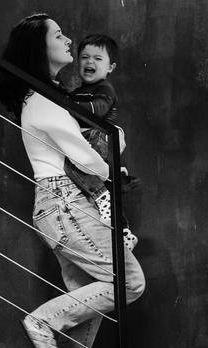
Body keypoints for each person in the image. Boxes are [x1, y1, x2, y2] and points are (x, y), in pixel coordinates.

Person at [0, 14, 145, 348]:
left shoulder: (47, 96)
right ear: (38, 48)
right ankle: (44, 319)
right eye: (58, 35)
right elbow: (86, 157)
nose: (68, 40)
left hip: (65, 203)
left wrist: (109, 150)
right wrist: (115, 158)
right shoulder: (44, 100)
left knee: (87, 299)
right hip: (64, 202)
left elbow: (85, 147)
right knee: (128, 283)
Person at [62, 33, 139, 250]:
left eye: (98, 58)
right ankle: (124, 232)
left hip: (99, 137)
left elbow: (97, 110)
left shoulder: (104, 89)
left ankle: (101, 195)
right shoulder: (77, 92)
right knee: (103, 184)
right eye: (85, 57)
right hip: (90, 139)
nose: (90, 62)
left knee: (72, 165)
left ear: (110, 67)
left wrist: (66, 107)